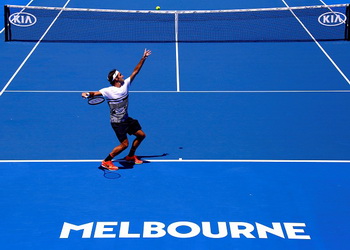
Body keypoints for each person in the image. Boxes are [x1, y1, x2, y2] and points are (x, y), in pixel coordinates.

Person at [82, 49, 152, 170]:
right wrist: (87, 94)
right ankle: (106, 161)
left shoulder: (126, 84)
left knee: (141, 135)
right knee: (124, 144)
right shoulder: (108, 91)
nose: (123, 75)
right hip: (117, 122)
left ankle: (130, 156)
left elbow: (135, 71)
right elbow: (95, 93)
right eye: (120, 75)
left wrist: (143, 58)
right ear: (116, 79)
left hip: (126, 119)